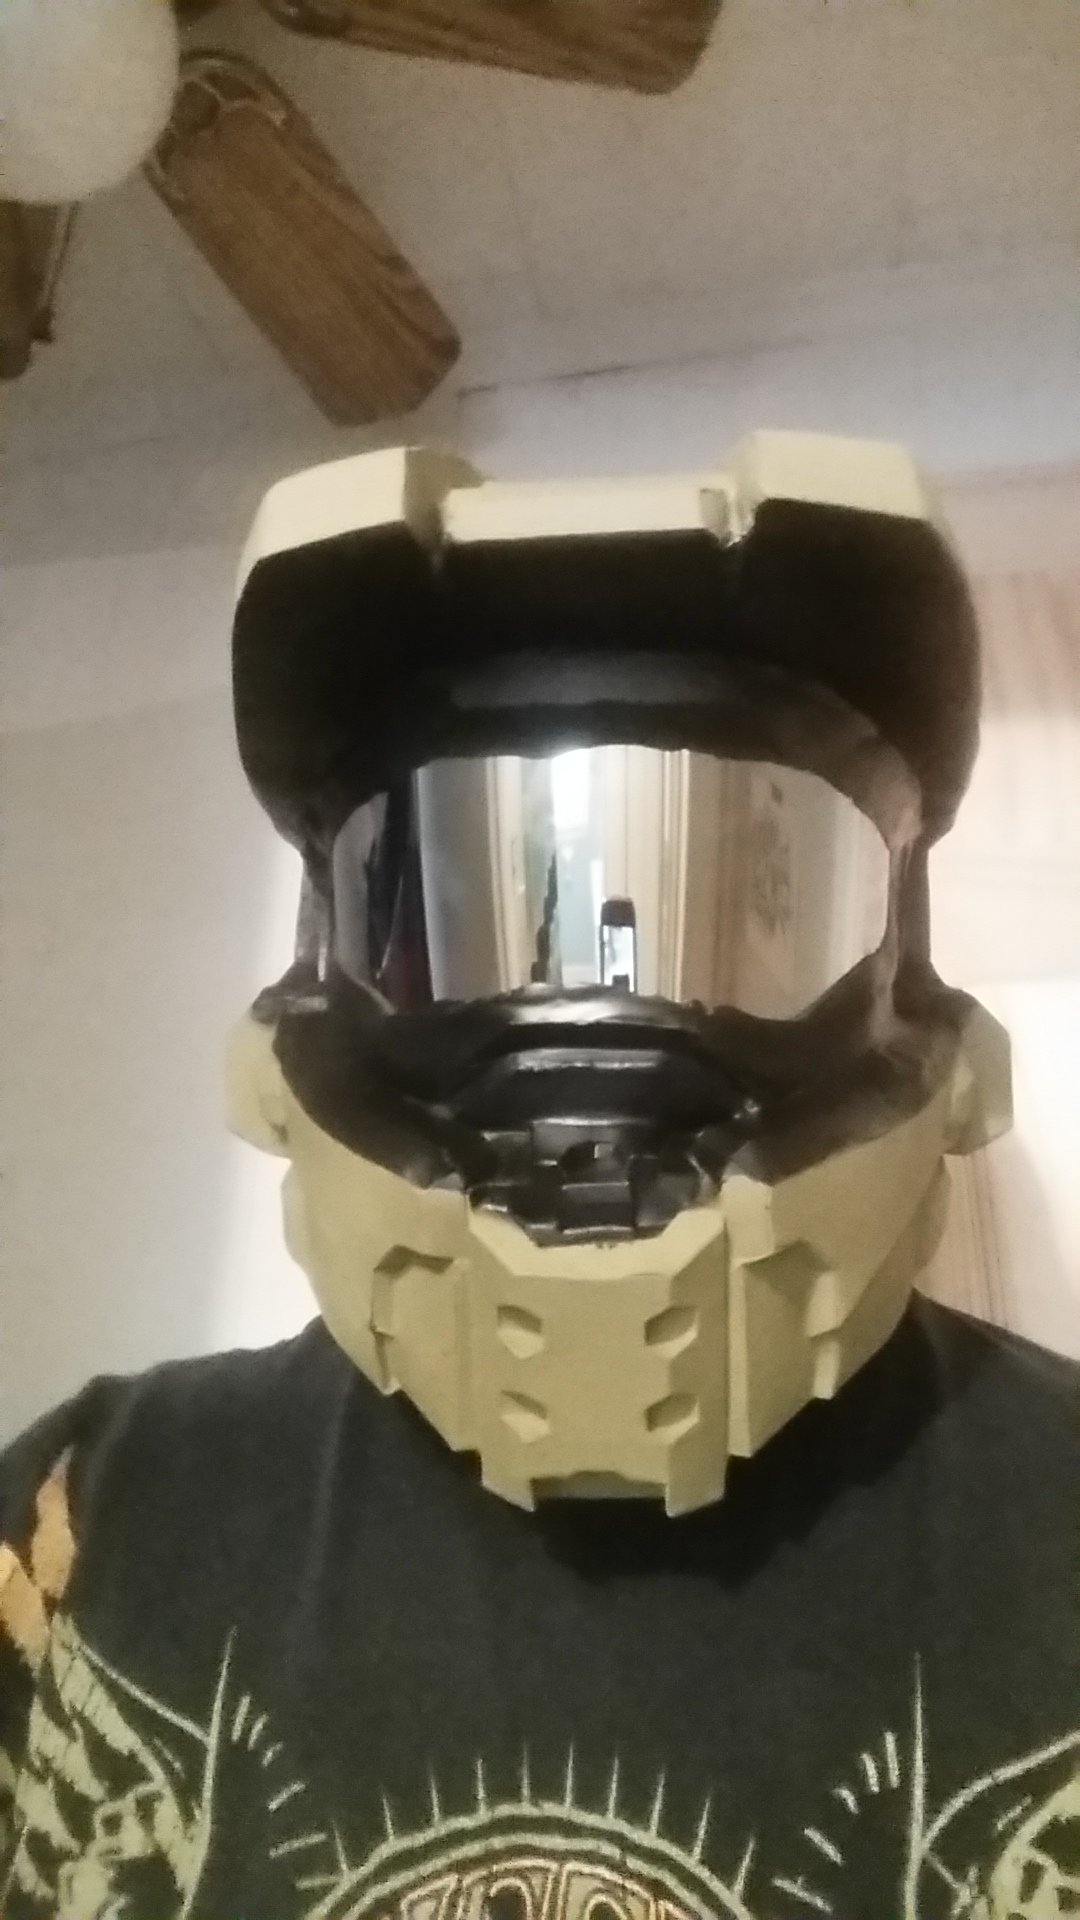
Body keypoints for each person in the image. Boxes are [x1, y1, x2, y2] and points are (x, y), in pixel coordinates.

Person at [1, 432, 1077, 1920]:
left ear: (923, 1004)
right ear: (312, 989)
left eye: (734, 916)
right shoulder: (85, 1516)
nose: (594, 1024)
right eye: (463, 915)